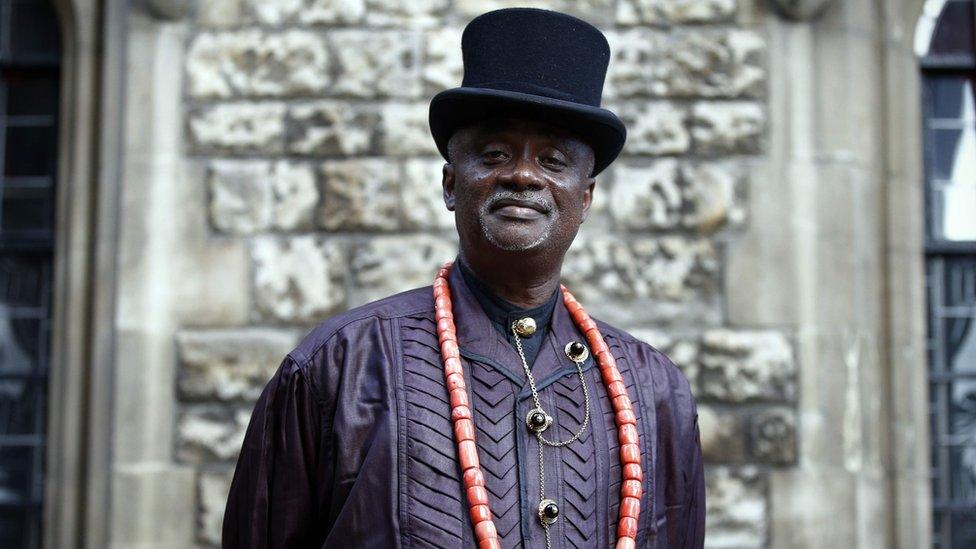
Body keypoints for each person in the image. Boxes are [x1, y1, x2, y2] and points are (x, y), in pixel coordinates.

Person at [222, 7, 704, 548]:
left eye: (552, 160)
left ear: (585, 197)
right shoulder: (340, 366)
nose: (522, 175)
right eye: (494, 154)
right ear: (451, 184)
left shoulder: (654, 391)